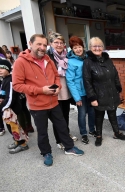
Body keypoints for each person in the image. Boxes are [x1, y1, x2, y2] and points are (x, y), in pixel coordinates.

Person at [12, 34, 84, 166]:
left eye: (44, 45)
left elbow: (56, 75)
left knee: (62, 126)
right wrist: (41, 90)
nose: (42, 47)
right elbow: (17, 85)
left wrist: (58, 87)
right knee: (43, 132)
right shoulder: (20, 62)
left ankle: (69, 147)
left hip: (54, 102)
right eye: (39, 44)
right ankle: (46, 153)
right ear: (30, 43)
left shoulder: (48, 59)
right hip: (37, 105)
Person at [83, 37, 125, 146]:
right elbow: (87, 81)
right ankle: (99, 136)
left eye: (99, 46)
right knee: (99, 117)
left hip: (111, 92)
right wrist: (92, 98)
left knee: (113, 114)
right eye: (95, 46)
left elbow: (115, 74)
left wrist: (118, 87)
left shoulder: (108, 59)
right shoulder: (88, 62)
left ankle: (116, 133)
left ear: (103, 48)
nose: (97, 48)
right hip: (99, 95)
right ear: (90, 47)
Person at [47, 32, 77, 150]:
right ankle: (59, 139)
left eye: (61, 42)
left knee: (65, 114)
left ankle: (66, 134)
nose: (59, 45)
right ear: (51, 43)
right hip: (55, 88)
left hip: (66, 88)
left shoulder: (67, 55)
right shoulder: (48, 56)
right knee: (57, 117)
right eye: (56, 42)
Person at [66, 36, 96, 145]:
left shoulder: (88, 58)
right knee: (82, 114)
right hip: (80, 93)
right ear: (72, 50)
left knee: (92, 112)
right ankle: (83, 133)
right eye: (75, 48)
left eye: (79, 47)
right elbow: (70, 81)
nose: (78, 50)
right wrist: (77, 97)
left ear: (83, 47)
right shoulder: (71, 62)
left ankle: (92, 130)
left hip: (90, 92)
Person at [0, 59, 29, 153]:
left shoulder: (10, 80)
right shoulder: (4, 79)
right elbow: (3, 93)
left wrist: (4, 107)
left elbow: (10, 97)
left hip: (12, 109)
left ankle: (23, 144)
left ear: (8, 69)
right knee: (10, 127)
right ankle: (17, 141)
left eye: (2, 68)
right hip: (7, 108)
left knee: (16, 127)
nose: (0, 70)